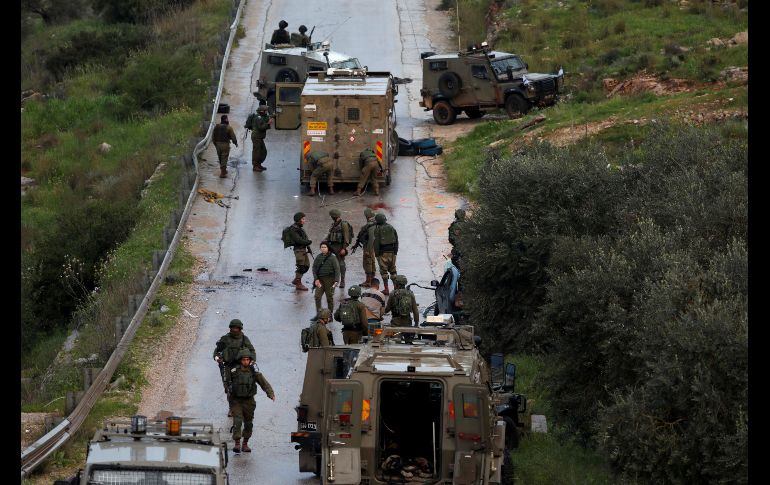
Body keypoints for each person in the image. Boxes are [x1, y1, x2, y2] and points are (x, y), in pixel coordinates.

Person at [229, 349, 275, 454]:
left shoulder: (254, 372)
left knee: (248, 423)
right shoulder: (234, 371)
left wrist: (270, 394)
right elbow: (227, 382)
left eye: (247, 359)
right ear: (240, 360)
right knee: (237, 421)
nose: (245, 361)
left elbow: (264, 383)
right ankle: (237, 443)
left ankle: (245, 444)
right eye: (243, 359)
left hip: (249, 401)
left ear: (250, 360)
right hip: (236, 401)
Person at [212, 319, 255, 415]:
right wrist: (217, 357)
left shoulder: (244, 339)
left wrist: (251, 360)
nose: (235, 330)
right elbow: (217, 351)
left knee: (242, 387)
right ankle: (232, 408)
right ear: (230, 328)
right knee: (229, 388)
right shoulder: (225, 339)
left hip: (240, 367)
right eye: (233, 328)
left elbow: (252, 351)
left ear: (240, 328)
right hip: (227, 366)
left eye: (237, 328)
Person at [368, 212, 398, 295]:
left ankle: (386, 289)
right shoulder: (391, 227)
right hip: (392, 252)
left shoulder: (378, 229)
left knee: (384, 271)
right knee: (393, 270)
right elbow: (396, 239)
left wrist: (377, 254)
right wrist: (395, 251)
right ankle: (396, 288)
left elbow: (376, 243)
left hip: (382, 252)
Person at [326, 209, 353, 287]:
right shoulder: (333, 224)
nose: (331, 217)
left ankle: (342, 281)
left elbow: (346, 238)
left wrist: (344, 248)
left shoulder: (343, 224)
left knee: (341, 264)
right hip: (332, 246)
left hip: (339, 246)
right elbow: (329, 235)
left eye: (332, 216)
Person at [351, 208, 377, 287]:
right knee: (371, 262)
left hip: (369, 247)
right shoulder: (374, 223)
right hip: (372, 246)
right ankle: (371, 280)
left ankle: (368, 281)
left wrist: (368, 250)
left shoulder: (370, 225)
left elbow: (372, 238)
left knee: (367, 263)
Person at [312, 241, 340, 312]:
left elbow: (337, 269)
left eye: (325, 247)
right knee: (317, 297)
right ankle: (319, 314)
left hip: (330, 280)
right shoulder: (318, 257)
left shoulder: (332, 258)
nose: (323, 249)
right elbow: (314, 268)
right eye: (322, 247)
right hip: (320, 280)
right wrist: (316, 279)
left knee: (329, 298)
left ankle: (330, 315)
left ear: (328, 248)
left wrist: (336, 280)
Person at [288, 212, 312, 291]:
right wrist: (308, 242)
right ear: (298, 220)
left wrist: (308, 247)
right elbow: (298, 240)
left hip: (303, 249)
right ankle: (298, 283)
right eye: (303, 219)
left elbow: (305, 238)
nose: (304, 221)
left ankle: (296, 279)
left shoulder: (300, 228)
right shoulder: (293, 229)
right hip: (298, 250)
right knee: (301, 266)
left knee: (306, 266)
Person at [249, 105, 272, 172]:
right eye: (265, 111)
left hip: (259, 137)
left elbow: (265, 120)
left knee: (263, 151)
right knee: (257, 152)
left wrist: (269, 120)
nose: (266, 112)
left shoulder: (261, 116)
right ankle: (255, 166)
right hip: (256, 137)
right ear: (262, 111)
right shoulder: (258, 118)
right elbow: (261, 127)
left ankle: (259, 164)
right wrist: (268, 124)